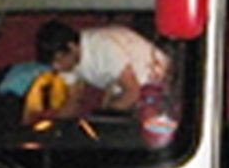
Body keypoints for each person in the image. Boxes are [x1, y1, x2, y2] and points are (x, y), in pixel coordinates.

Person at [34, 20, 169, 113]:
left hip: (156, 78)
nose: (57, 67)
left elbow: (133, 92)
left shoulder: (102, 47)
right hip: (126, 86)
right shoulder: (67, 62)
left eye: (58, 60)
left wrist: (104, 114)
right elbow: (74, 101)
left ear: (72, 48)